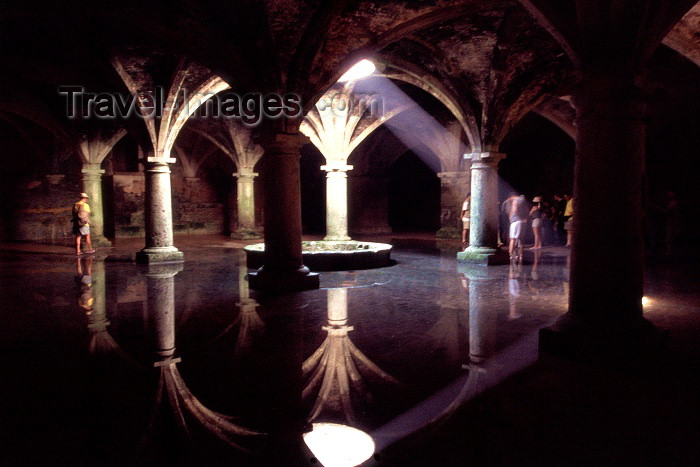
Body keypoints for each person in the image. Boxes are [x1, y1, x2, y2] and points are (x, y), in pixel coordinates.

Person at [72, 192, 95, 256]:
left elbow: (74, 214)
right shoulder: (85, 205)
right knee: (87, 236)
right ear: (84, 198)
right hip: (84, 223)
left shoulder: (75, 204)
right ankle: (90, 249)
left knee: (78, 237)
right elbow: (87, 213)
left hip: (76, 223)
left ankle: (78, 251)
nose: (86, 199)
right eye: (86, 198)